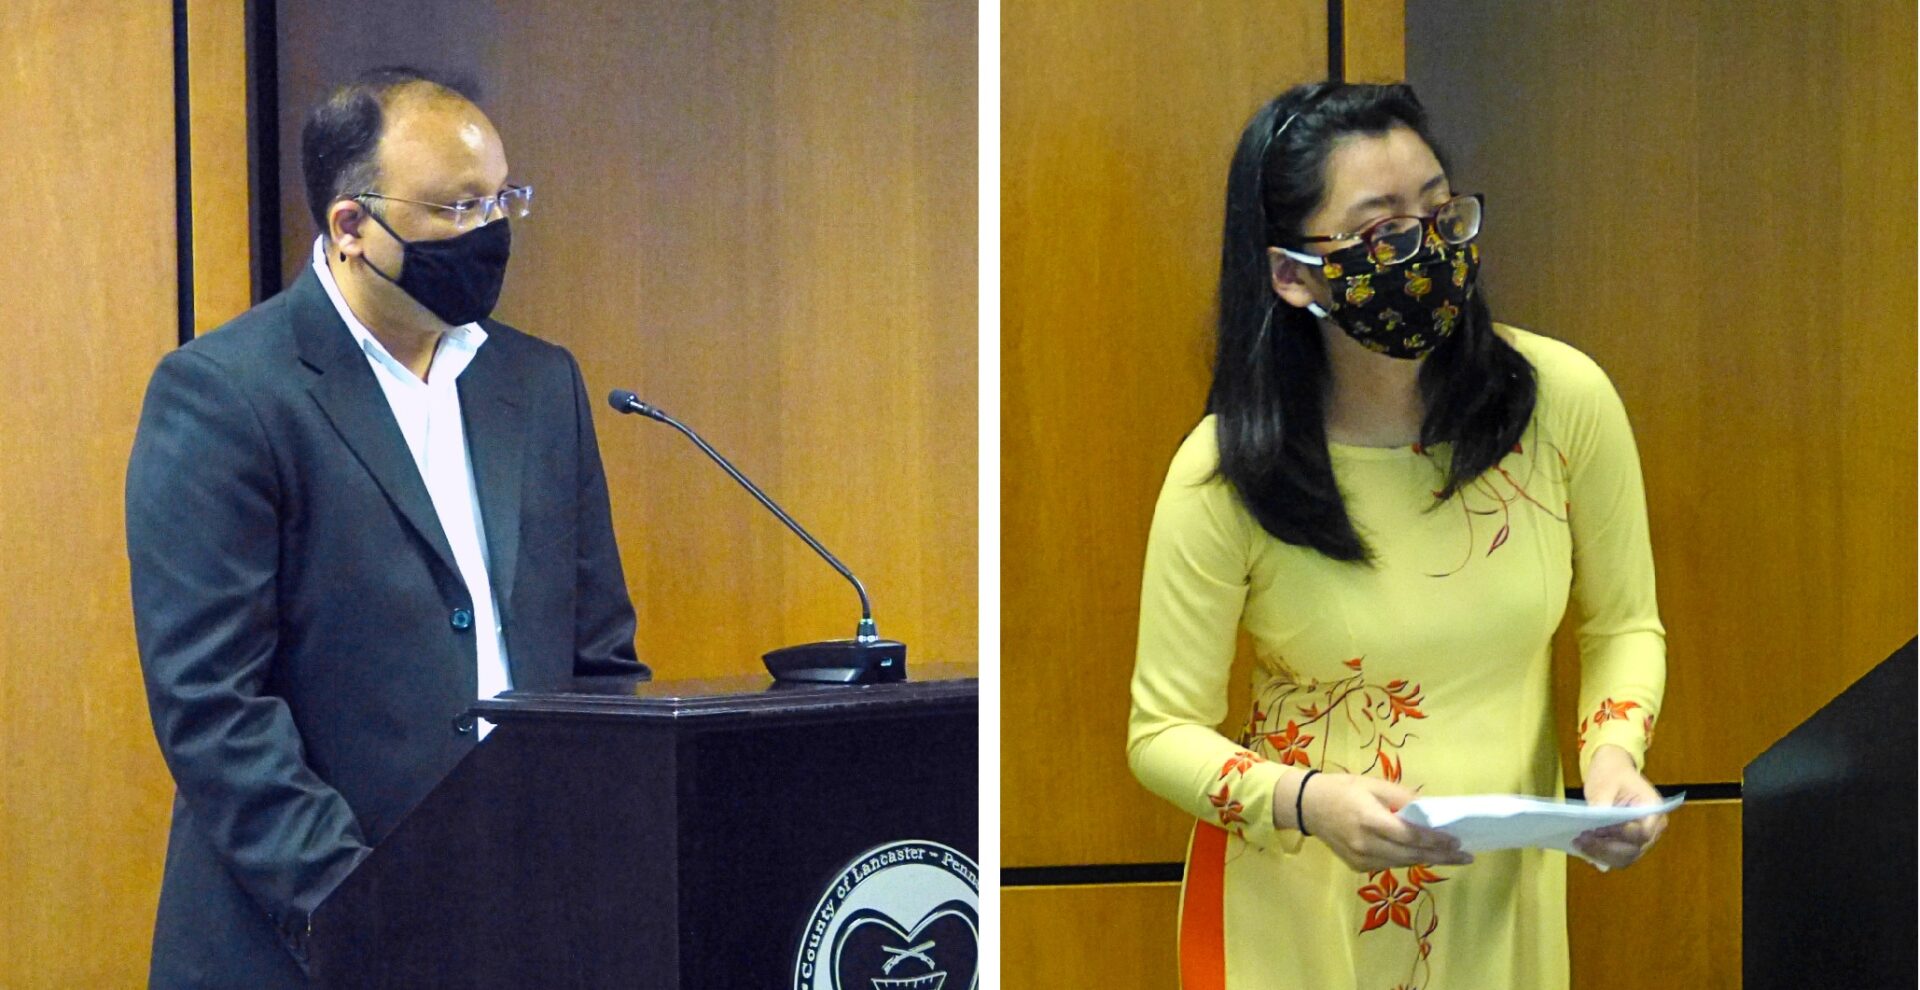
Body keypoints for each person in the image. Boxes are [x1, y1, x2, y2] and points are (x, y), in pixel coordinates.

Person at [1126, 82, 1668, 989]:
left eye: (1440, 216)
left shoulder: (1561, 403)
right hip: (1299, 905)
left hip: (1498, 900)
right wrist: (1304, 800)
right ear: (1293, 273)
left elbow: (1623, 626)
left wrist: (1612, 763)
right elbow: (1162, 731)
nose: (1426, 254)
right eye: (1383, 234)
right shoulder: (1228, 469)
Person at [126, 67, 646, 988]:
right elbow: (214, 706)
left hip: (521, 929)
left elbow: (597, 659)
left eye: (501, 202)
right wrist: (373, 911)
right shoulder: (226, 394)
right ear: (351, 227)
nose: (488, 234)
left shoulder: (539, 384)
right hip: (308, 944)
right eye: (455, 209)